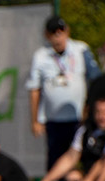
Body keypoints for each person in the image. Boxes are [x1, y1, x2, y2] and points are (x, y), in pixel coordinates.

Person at [27, 16, 100, 170]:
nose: (58, 36)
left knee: (82, 156)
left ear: (67, 31)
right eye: (53, 32)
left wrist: (89, 108)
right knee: (55, 158)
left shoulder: (81, 49)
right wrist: (35, 120)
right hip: (54, 119)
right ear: (47, 35)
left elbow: (95, 79)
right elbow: (34, 88)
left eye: (61, 31)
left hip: (78, 118)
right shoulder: (41, 55)